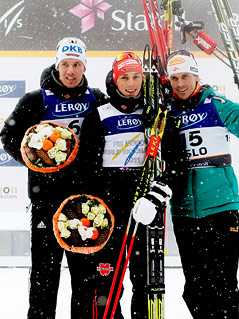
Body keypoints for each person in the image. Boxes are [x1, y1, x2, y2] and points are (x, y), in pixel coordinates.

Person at [0, 37, 109, 319]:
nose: (70, 71)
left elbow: (125, 109)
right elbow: (9, 137)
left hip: (83, 203)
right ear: (56, 65)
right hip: (46, 200)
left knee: (84, 276)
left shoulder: (97, 98)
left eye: (76, 64)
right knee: (44, 276)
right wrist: (34, 158)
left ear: (84, 67)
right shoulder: (36, 99)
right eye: (65, 65)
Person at [133, 50, 239, 319]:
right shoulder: (166, 114)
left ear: (196, 76)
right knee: (195, 289)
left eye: (186, 77)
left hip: (221, 206)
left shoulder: (215, 103)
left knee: (224, 287)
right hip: (184, 211)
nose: (181, 84)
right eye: (176, 78)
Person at [78, 52, 171, 318]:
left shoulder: (154, 113)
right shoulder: (100, 114)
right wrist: (98, 204)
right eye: (125, 77)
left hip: (144, 202)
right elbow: (87, 167)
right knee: (107, 278)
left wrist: (155, 195)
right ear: (114, 80)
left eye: (136, 77)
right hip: (109, 203)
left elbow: (172, 160)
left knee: (144, 280)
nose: (131, 84)